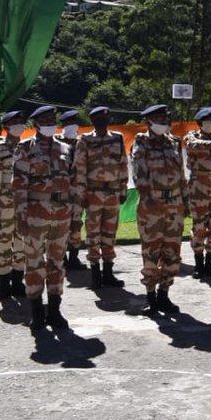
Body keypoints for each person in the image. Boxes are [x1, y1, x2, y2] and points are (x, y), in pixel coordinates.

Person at [14, 105, 74, 332]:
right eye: (45, 120)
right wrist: (21, 216)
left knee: (57, 263)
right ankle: (37, 311)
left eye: (52, 119)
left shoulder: (65, 148)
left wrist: (74, 213)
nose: (50, 123)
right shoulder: (26, 147)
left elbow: (73, 182)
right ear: (35, 124)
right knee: (34, 263)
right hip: (35, 214)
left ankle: (55, 310)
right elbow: (18, 185)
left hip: (61, 213)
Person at [131, 104, 187, 314]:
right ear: (149, 122)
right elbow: (139, 172)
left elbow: (181, 174)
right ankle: (150, 296)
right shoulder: (141, 142)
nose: (164, 122)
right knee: (151, 251)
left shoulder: (174, 142)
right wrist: (147, 198)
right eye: (159, 119)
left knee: (172, 251)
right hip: (152, 204)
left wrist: (185, 201)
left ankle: (164, 294)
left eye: (165, 118)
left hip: (174, 204)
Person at [74, 106, 127, 289]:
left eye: (105, 117)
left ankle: (108, 273)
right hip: (93, 193)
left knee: (110, 233)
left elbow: (123, 165)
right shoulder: (85, 140)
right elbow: (80, 168)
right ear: (93, 121)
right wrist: (82, 194)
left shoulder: (117, 138)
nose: (102, 121)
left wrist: (123, 190)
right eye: (98, 118)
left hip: (112, 192)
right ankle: (95, 274)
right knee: (93, 234)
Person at [0, 110, 27, 301]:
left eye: (20, 121)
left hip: (25, 203)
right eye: (14, 122)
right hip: (4, 202)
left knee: (22, 242)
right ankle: (4, 283)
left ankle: (18, 281)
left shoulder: (27, 146)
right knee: (3, 242)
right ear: (6, 127)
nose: (18, 124)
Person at [185, 107, 211, 279]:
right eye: (208, 120)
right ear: (200, 123)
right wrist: (210, 144)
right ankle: (198, 264)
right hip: (199, 186)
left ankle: (210, 263)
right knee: (199, 225)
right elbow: (192, 145)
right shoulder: (192, 137)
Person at [56, 109, 88, 272]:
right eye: (69, 123)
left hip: (78, 190)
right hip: (60, 191)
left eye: (74, 122)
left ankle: (74, 258)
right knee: (60, 225)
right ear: (63, 125)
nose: (72, 125)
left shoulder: (83, 141)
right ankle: (61, 258)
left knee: (76, 224)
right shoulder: (55, 141)